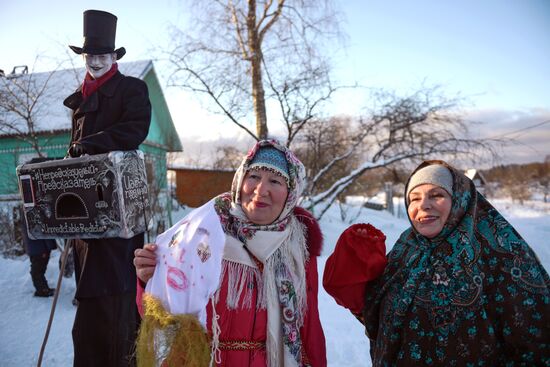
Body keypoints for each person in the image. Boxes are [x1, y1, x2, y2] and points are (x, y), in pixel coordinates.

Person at [323, 160, 550, 366]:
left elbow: (537, 342)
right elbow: (375, 315)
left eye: (436, 195)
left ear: (460, 199)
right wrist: (353, 268)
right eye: (415, 198)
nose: (423, 206)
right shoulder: (406, 249)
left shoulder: (501, 254)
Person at [134, 140, 327, 366]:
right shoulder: (203, 234)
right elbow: (162, 315)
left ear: (291, 193)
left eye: (274, 181)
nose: (260, 190)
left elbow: (309, 326)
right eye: (253, 176)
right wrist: (147, 281)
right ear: (240, 179)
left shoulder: (298, 250)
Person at [64, 9, 151, 367]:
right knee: (88, 314)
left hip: (119, 218)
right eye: (90, 56)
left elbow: (135, 130)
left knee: (118, 305)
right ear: (84, 58)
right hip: (86, 222)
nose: (96, 61)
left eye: (103, 55)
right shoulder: (79, 99)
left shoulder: (131, 89)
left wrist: (92, 144)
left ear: (114, 57)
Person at [19, 204, 57, 297]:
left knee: (38, 269)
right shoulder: (34, 212)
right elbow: (44, 231)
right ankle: (42, 290)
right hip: (39, 247)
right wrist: (50, 246)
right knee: (38, 270)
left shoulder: (27, 210)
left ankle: (43, 288)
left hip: (35, 247)